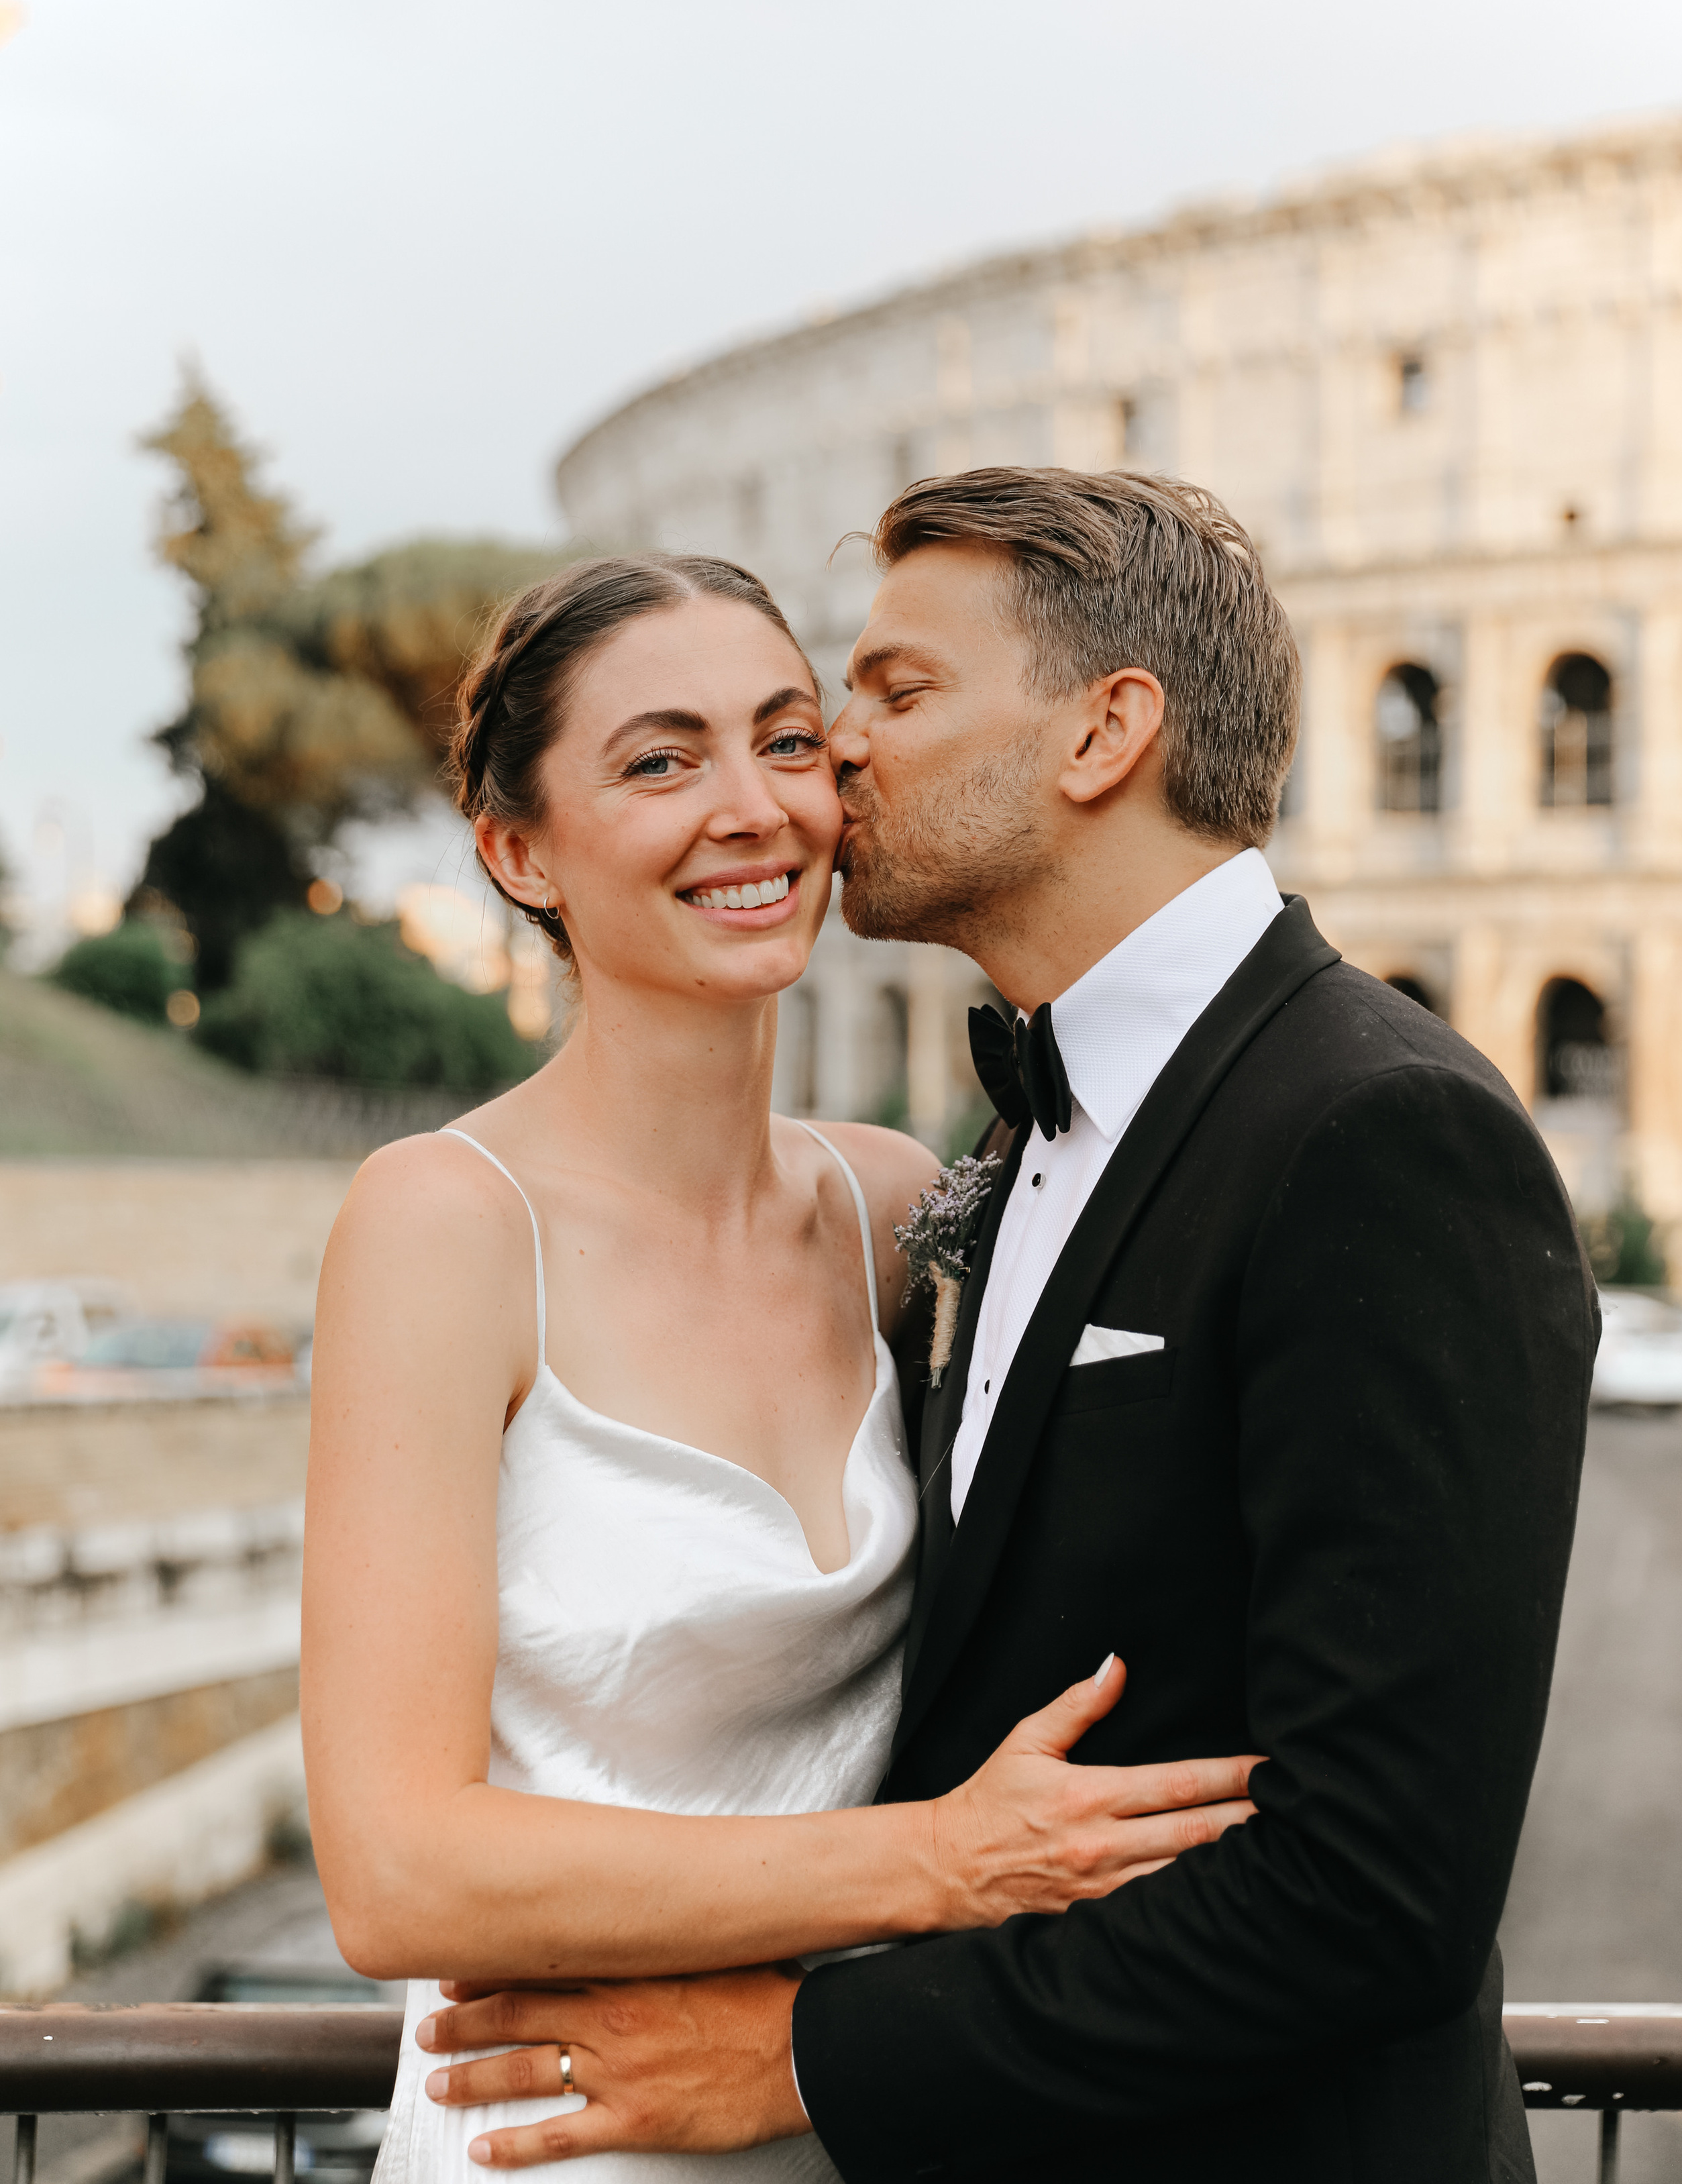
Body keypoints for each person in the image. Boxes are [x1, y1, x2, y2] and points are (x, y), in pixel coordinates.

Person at [423, 471, 1599, 2183]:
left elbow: (1375, 1890)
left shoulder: (1381, 1130)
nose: (834, 754)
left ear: (1102, 733)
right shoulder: (991, 1156)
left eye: (895, 693)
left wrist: (803, 2055)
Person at [299, 550, 1263, 2184]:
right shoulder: (442, 1224)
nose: (749, 809)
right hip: (558, 2146)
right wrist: (938, 1864)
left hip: (846, 2122)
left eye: (787, 740)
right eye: (659, 762)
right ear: (517, 850)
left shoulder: (891, 1205)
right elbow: (396, 1872)